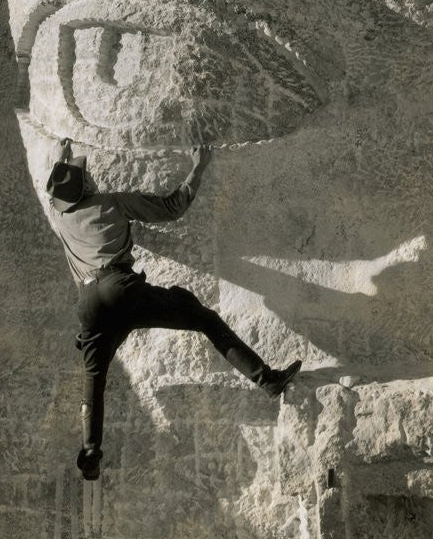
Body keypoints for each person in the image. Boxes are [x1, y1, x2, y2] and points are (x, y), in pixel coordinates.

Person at [45, 138, 302, 480]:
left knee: (95, 380)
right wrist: (199, 167)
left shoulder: (59, 215)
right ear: (88, 185)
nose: (91, 178)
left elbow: (60, 190)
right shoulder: (112, 203)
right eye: (86, 176)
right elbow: (172, 207)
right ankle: (266, 379)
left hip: (89, 307)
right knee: (204, 319)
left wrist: (61, 159)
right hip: (120, 289)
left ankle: (91, 451)